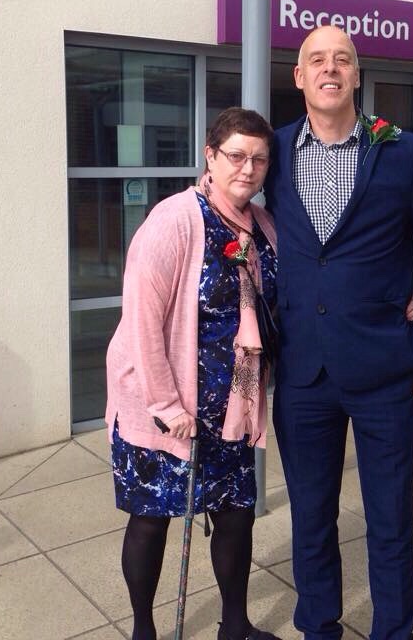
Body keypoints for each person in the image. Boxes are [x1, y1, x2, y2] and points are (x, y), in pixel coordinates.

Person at [264, 26, 413, 640]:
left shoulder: (402, 152)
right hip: (302, 374)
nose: (330, 69)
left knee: (390, 520)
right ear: (298, 77)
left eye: (342, 59)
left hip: (385, 372)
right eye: (316, 60)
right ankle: (318, 627)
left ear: (357, 75)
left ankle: (392, 631)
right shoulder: (270, 153)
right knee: (312, 519)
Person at [105, 107, 282, 640]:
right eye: (235, 156)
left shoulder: (264, 225)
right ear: (211, 156)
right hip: (166, 408)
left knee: (235, 516)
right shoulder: (173, 220)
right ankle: (143, 630)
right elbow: (141, 322)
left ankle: (236, 625)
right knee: (152, 518)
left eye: (258, 159)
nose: (247, 169)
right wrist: (166, 407)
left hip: (232, 407)